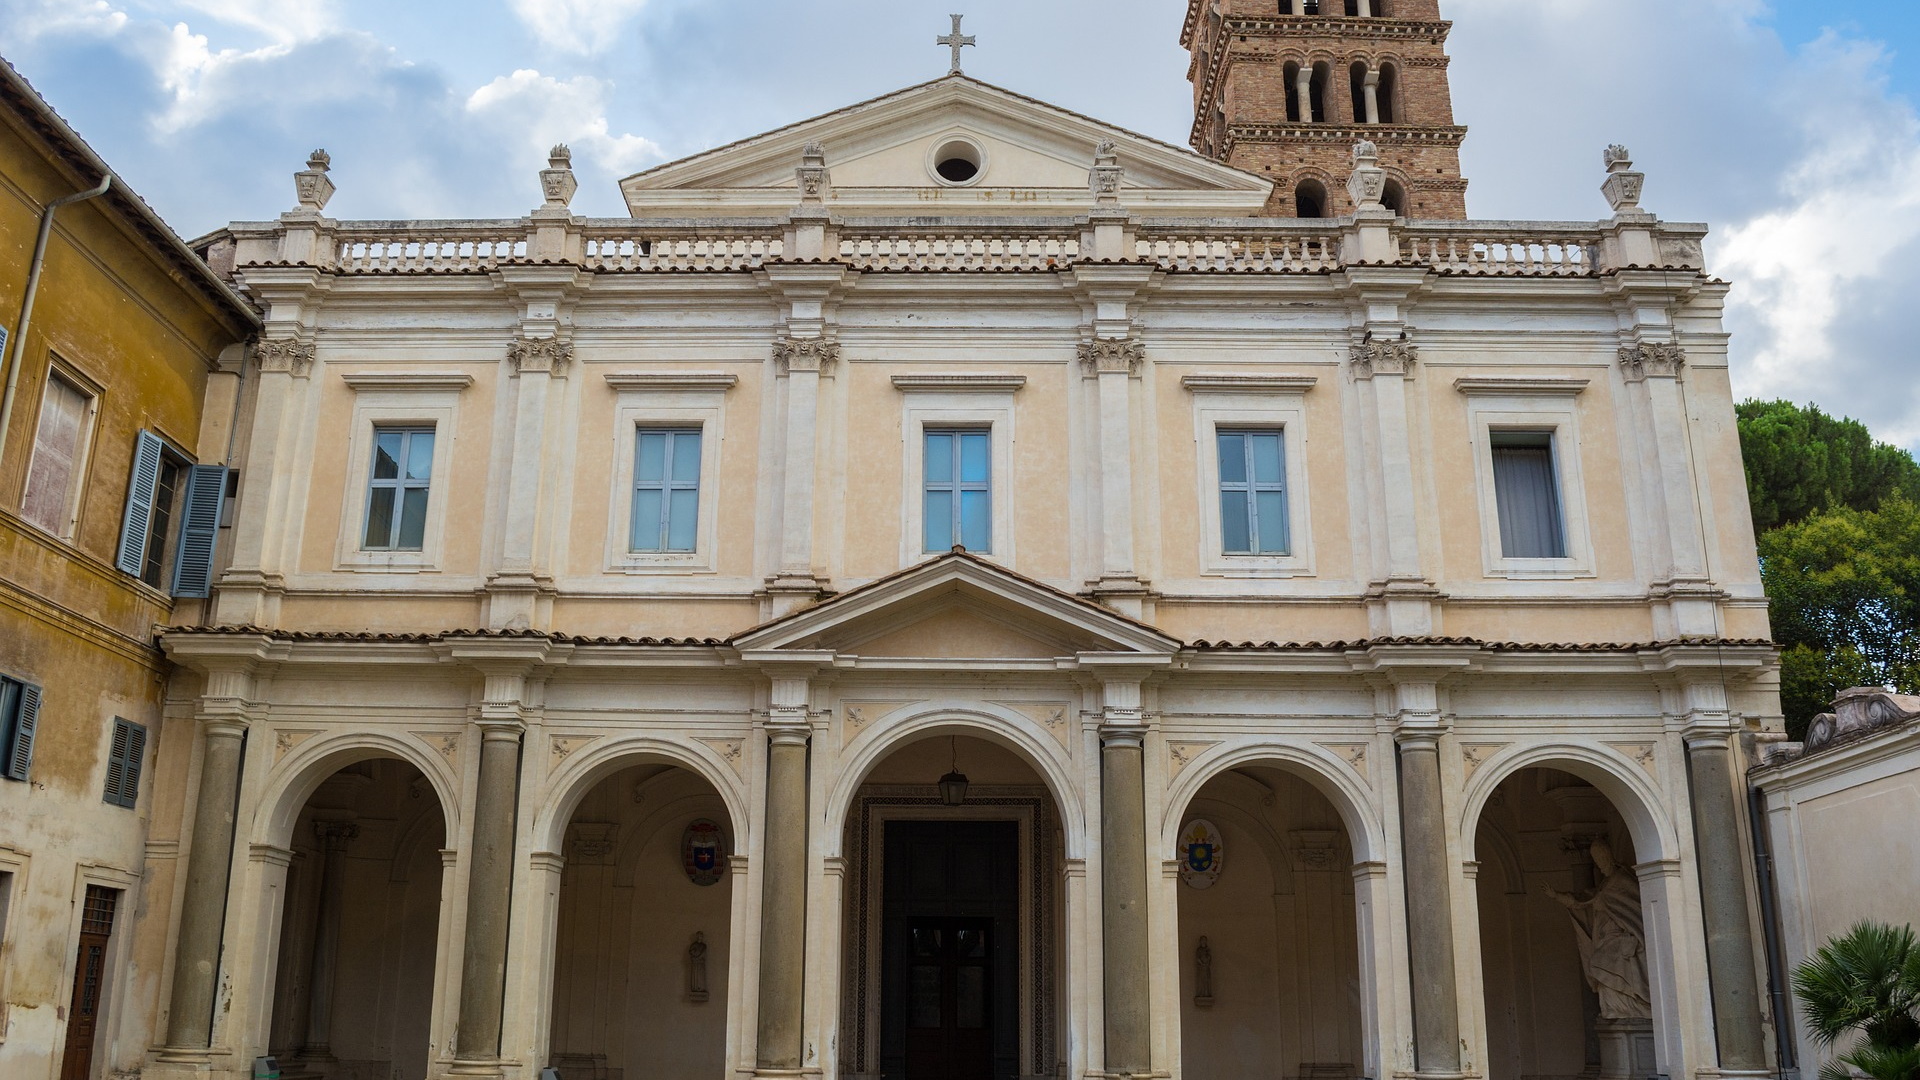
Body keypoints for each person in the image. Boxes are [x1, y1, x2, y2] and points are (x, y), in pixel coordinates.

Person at [1542, 838, 1652, 1021]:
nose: (1599, 864)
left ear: (1608, 857)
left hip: (1620, 937)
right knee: (1600, 968)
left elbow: (1635, 908)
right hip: (1606, 937)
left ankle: (1634, 1003)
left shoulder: (1621, 880)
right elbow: (1585, 900)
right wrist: (1557, 896)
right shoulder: (1606, 883)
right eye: (1596, 860)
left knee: (1598, 963)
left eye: (1600, 859)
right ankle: (1616, 1007)